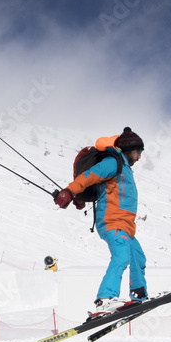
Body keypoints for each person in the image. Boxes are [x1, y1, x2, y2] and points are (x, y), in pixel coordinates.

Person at [53, 127, 147, 313]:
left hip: (126, 226)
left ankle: (139, 295)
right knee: (121, 256)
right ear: (129, 150)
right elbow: (89, 176)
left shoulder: (124, 169)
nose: (139, 157)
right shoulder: (113, 162)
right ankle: (105, 298)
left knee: (138, 257)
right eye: (138, 152)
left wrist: (79, 198)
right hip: (112, 222)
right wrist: (70, 191)